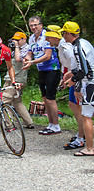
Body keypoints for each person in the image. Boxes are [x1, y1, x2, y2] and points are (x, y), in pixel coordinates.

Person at [44, 25, 84, 149]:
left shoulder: (65, 47)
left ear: (54, 37)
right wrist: (64, 77)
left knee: (78, 108)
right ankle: (80, 133)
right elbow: (65, 65)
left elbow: (75, 64)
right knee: (73, 106)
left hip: (78, 78)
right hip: (73, 77)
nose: (47, 41)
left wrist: (72, 79)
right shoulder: (60, 46)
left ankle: (81, 138)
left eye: (48, 38)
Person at [60, 21, 94, 156]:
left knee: (86, 116)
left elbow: (84, 70)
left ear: (68, 34)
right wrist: (72, 74)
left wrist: (73, 82)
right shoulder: (85, 42)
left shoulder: (77, 47)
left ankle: (90, 148)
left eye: (63, 33)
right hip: (91, 80)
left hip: (90, 83)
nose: (63, 36)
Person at [23, 16, 61, 135]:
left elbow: (47, 55)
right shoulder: (31, 38)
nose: (34, 27)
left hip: (52, 69)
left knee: (51, 98)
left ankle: (56, 125)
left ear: (41, 24)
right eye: (31, 26)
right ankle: (50, 124)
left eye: (36, 25)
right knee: (45, 99)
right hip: (41, 70)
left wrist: (32, 62)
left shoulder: (46, 36)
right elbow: (30, 52)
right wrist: (27, 59)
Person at [2, 32, 34, 129]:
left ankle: (9, 125)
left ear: (24, 39)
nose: (16, 42)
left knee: (4, 101)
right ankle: (29, 122)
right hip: (15, 79)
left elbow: (18, 59)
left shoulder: (27, 49)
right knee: (17, 102)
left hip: (15, 80)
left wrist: (16, 47)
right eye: (14, 40)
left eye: (18, 40)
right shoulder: (16, 49)